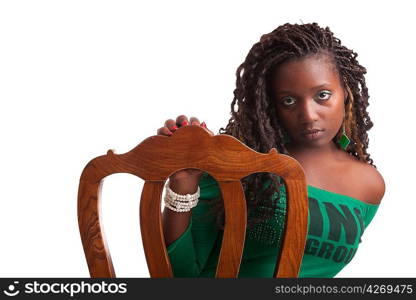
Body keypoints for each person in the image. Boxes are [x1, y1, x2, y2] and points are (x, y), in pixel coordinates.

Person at [157, 22, 385, 277]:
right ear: (270, 104)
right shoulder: (244, 164)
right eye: (288, 100)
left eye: (322, 95)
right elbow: (181, 274)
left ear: (346, 91)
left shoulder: (369, 184)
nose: (308, 116)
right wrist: (183, 183)